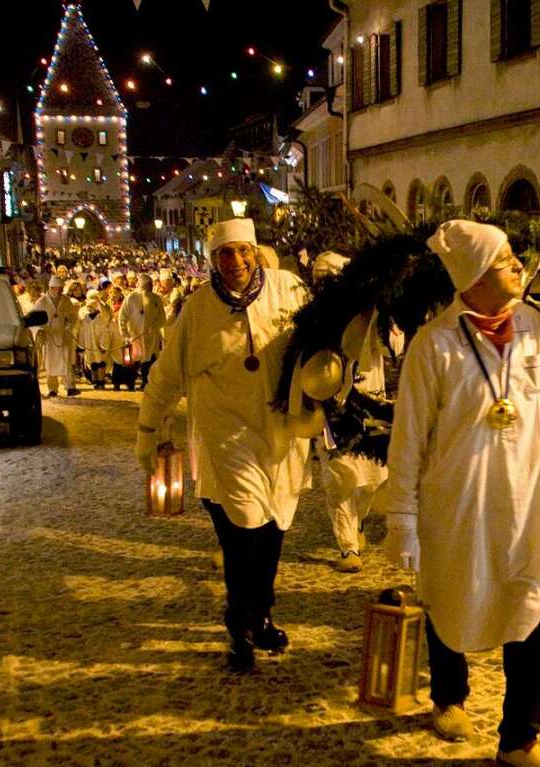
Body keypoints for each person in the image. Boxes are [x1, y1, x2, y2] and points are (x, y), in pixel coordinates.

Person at [381, 220, 540, 767]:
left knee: (529, 604)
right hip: (456, 504)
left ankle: (519, 739)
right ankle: (449, 698)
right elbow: (408, 440)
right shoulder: (436, 346)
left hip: (525, 502)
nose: (518, 267)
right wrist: (401, 521)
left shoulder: (533, 327)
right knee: (450, 595)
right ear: (473, 276)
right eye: (504, 261)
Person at [136, 218, 311, 672]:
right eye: (224, 254)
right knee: (245, 528)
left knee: (273, 529)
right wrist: (147, 429)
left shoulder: (289, 289)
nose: (235, 263)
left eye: (242, 252)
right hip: (226, 435)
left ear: (256, 252)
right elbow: (166, 375)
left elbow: (321, 343)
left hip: (281, 433)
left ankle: (260, 613)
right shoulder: (197, 309)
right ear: (213, 260)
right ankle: (241, 626)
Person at [311, 251, 393, 573]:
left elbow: (392, 346)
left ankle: (357, 524)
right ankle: (347, 547)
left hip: (371, 402)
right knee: (340, 477)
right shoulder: (312, 318)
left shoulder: (371, 314)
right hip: (331, 409)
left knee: (373, 478)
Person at [34, 275, 79, 397]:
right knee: (50, 362)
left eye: (61, 288)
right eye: (58, 288)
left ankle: (70, 387)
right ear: (52, 288)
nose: (60, 291)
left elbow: (73, 316)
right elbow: (35, 320)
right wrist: (40, 330)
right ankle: (52, 388)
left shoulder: (66, 300)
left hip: (64, 336)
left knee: (67, 361)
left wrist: (70, 323)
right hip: (50, 337)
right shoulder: (41, 302)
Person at [119, 273, 166, 389]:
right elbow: (122, 316)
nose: (151, 286)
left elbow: (162, 317)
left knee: (149, 360)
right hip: (134, 335)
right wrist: (124, 333)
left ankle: (146, 382)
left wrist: (155, 327)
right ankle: (130, 382)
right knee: (132, 360)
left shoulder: (156, 299)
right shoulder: (131, 298)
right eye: (149, 284)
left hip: (150, 336)